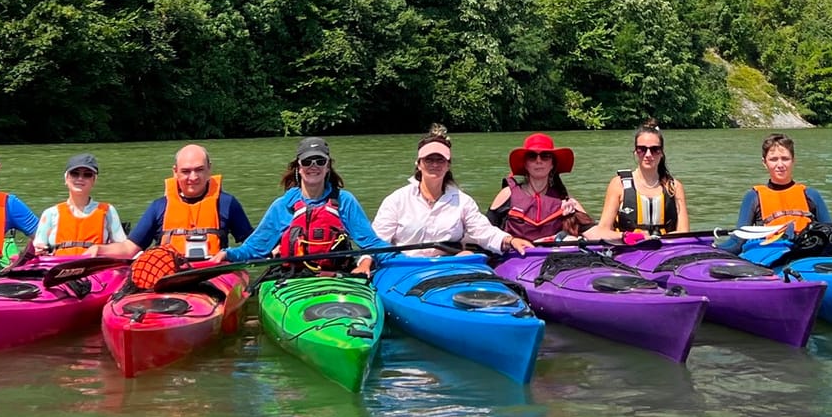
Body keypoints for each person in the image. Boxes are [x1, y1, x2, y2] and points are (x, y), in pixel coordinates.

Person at [224, 136, 386, 276]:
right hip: (294, 276)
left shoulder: (345, 201)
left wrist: (403, 259)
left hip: (337, 275)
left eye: (320, 161)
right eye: (307, 161)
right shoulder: (282, 206)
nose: (313, 166)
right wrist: (227, 254)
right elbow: (254, 249)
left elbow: (371, 244)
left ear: (328, 166)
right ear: (298, 167)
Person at [373, 126, 535, 257]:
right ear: (418, 163)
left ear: (448, 164)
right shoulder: (397, 200)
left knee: (467, 255)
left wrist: (510, 240)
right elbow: (377, 240)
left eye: (440, 160)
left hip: (450, 264)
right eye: (429, 159)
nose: (435, 164)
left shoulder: (463, 201)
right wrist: (366, 262)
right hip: (406, 266)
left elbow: (482, 231)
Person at [94, 143, 253, 261]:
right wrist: (98, 249)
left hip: (213, 275)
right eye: (186, 171)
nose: (193, 177)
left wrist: (272, 249)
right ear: (175, 172)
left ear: (209, 169)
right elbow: (129, 248)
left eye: (199, 169)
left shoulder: (227, 203)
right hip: (171, 276)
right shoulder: (159, 207)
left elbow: (253, 244)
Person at [590, 119, 690, 238]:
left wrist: (659, 240)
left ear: (661, 153)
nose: (648, 155)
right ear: (635, 152)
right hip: (628, 250)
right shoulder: (618, 184)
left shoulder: (674, 187)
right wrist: (628, 237)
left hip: (666, 251)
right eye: (642, 149)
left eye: (654, 149)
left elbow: (684, 232)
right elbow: (603, 231)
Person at [486, 132, 593, 241]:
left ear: (552, 164)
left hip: (553, 255)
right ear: (525, 164)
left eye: (545, 156)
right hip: (513, 254)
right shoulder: (507, 194)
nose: (539, 161)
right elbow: (484, 232)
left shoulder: (566, 199)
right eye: (532, 156)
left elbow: (594, 232)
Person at [737, 133, 832, 237]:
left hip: (805, 248)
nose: (780, 165)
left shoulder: (811, 195)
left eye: (785, 159)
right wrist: (717, 249)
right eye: (773, 159)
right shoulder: (753, 197)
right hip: (770, 250)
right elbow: (738, 241)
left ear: (793, 160)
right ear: (764, 163)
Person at [31, 153, 127, 257]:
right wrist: (39, 251)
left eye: (87, 174)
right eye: (75, 174)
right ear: (66, 178)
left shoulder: (107, 211)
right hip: (58, 269)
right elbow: (37, 248)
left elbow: (124, 248)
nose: (80, 178)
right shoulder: (50, 213)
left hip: (95, 269)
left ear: (94, 180)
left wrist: (101, 249)